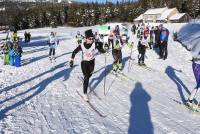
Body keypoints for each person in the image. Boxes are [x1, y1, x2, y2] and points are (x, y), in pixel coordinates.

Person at [69, 29, 106, 101]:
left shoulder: (95, 44)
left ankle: (85, 81)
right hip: (84, 63)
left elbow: (101, 50)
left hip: (92, 62)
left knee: (90, 75)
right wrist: (71, 60)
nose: (92, 40)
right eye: (90, 38)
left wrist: (104, 50)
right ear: (86, 38)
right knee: (86, 76)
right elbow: (74, 52)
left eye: (92, 38)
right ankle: (84, 94)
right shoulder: (82, 46)